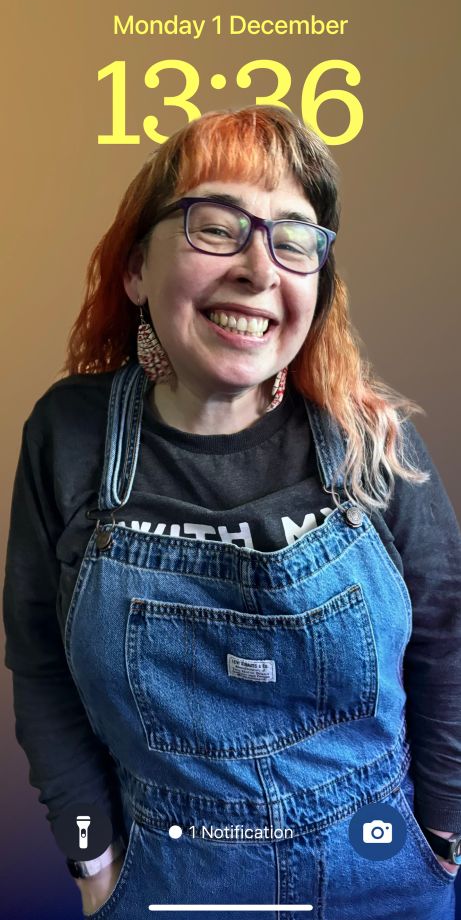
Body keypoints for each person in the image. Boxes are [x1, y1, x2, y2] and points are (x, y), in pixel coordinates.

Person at [3, 106, 461, 920]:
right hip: (166, 887)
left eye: (293, 238)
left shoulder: (373, 444)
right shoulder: (67, 436)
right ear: (135, 268)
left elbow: (448, 647)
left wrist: (448, 836)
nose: (260, 269)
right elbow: (40, 664)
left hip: (384, 879)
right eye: (216, 226)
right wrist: (90, 857)